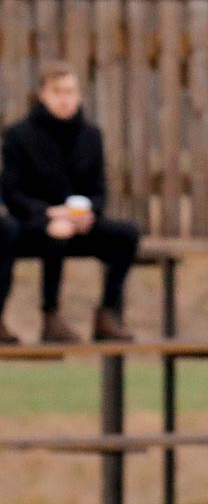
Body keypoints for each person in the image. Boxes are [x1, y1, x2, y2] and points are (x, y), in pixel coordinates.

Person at [0, 61, 139, 343]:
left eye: (71, 92)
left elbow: (99, 190)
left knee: (127, 234)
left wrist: (88, 212)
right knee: (36, 235)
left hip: (78, 223)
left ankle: (107, 314)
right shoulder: (19, 136)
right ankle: (50, 316)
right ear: (43, 95)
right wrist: (48, 215)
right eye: (58, 92)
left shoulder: (90, 136)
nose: (65, 99)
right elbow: (12, 194)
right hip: (34, 225)